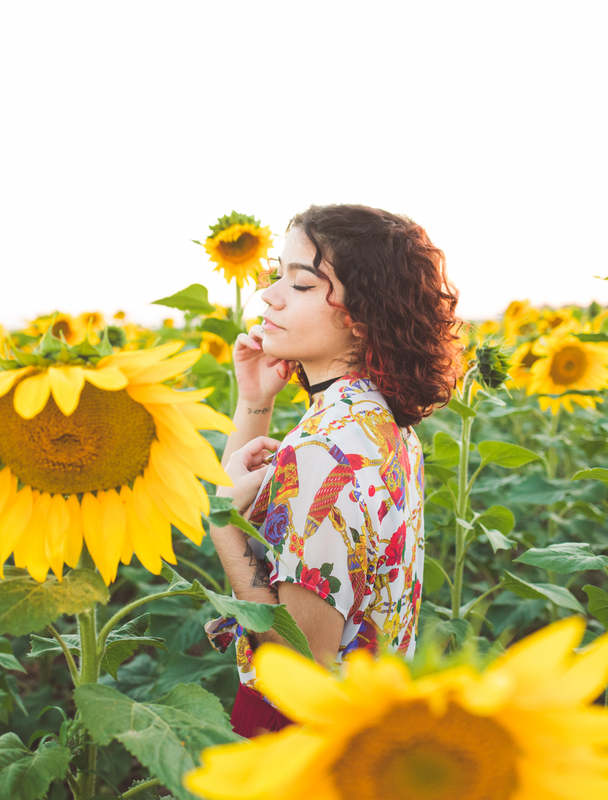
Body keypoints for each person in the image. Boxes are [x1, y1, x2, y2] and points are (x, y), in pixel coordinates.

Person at [204, 203, 463, 737]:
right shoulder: (380, 425)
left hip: (302, 741)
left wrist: (223, 529)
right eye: (277, 276)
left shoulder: (324, 451)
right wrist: (255, 401)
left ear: (362, 314)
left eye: (300, 285)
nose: (268, 296)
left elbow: (301, 668)